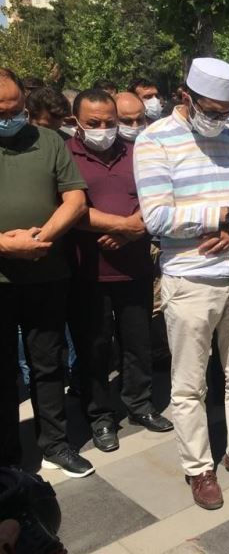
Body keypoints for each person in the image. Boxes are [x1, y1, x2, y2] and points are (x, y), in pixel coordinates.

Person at [133, 58, 229, 510]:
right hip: (191, 279)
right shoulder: (155, 140)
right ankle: (199, 467)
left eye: (226, 112)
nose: (219, 120)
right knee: (189, 383)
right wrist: (225, 216)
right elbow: (157, 217)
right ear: (185, 97)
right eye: (211, 111)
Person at [66, 89, 173, 453]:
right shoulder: (66, 155)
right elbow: (68, 207)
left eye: (109, 122)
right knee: (94, 347)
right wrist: (118, 225)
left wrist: (131, 230)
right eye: (93, 123)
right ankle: (100, 416)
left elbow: (158, 197)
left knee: (138, 342)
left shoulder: (137, 152)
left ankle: (140, 403)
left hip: (135, 266)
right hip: (88, 272)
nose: (104, 130)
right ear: (76, 122)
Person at [0, 68, 91, 477]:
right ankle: (6, 458)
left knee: (48, 362)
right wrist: (5, 245)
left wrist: (40, 238)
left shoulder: (49, 140)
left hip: (47, 273)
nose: (9, 118)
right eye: (1, 112)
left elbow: (75, 199)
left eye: (15, 109)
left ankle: (54, 443)